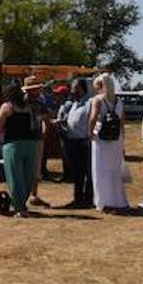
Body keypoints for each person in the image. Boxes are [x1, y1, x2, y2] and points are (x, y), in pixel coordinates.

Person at [0, 84, 37, 217]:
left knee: (15, 176)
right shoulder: (28, 108)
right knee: (27, 175)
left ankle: (19, 206)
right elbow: (32, 126)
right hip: (29, 143)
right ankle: (23, 202)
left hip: (13, 144)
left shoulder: (7, 107)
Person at [89, 72, 129, 212]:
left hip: (101, 138)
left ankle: (103, 201)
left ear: (100, 86)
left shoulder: (98, 99)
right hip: (116, 139)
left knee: (100, 170)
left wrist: (90, 133)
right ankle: (118, 200)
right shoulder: (119, 101)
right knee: (114, 170)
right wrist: (123, 139)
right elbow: (122, 122)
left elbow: (93, 118)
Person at [56, 80, 93, 208]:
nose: (72, 91)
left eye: (74, 88)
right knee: (77, 173)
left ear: (81, 89)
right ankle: (78, 199)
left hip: (84, 142)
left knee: (87, 172)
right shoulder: (74, 104)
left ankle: (87, 199)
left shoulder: (89, 103)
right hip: (73, 142)